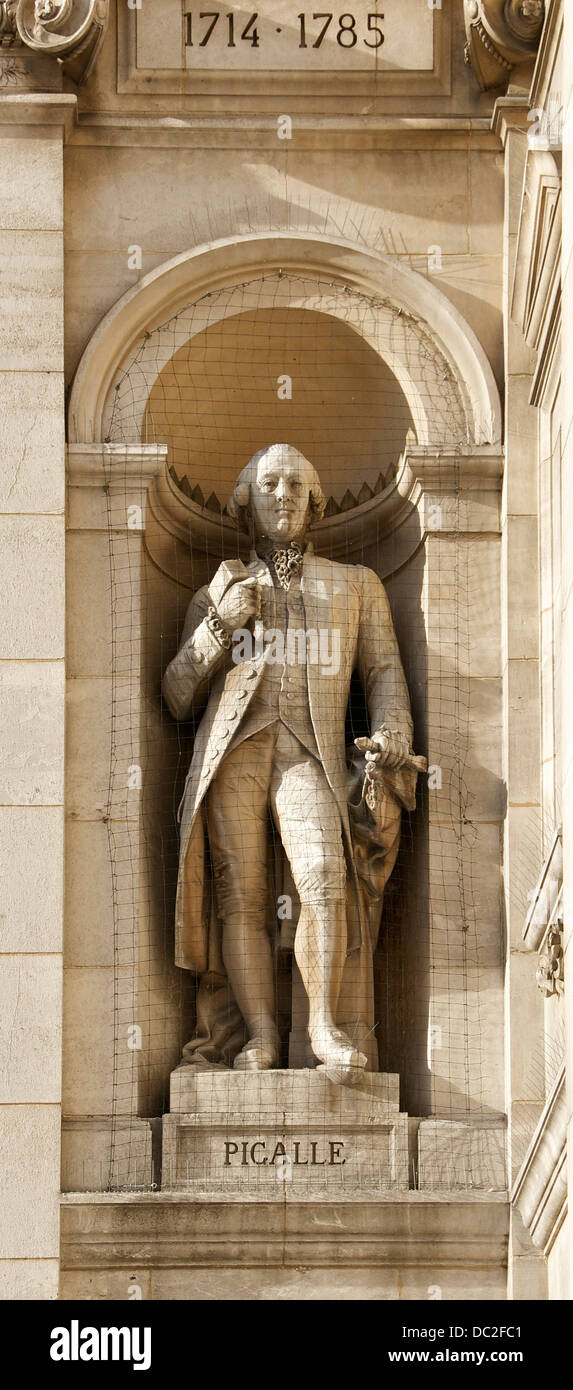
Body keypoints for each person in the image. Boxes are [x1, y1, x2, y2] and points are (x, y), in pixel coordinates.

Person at [163, 443, 420, 1082]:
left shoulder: (355, 584)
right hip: (234, 753)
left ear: (314, 501)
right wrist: (219, 628)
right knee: (240, 896)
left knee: (326, 877)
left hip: (309, 753)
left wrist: (390, 728)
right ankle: (257, 1038)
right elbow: (173, 693)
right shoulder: (218, 588)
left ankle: (323, 1026)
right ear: (247, 499)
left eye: (297, 482)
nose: (283, 493)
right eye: (269, 481)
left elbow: (385, 669)